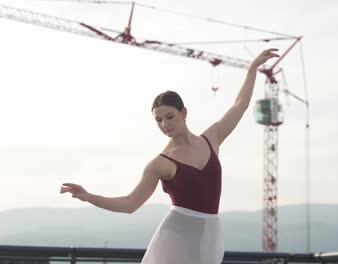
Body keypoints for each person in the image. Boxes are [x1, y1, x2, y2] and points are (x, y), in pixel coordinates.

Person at [59, 48, 279, 264]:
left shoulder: (211, 139)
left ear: (184, 113)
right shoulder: (160, 163)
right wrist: (89, 196)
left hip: (210, 235)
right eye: (158, 120)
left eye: (169, 116)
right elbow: (130, 204)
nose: (164, 124)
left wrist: (252, 68)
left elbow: (239, 105)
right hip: (175, 237)